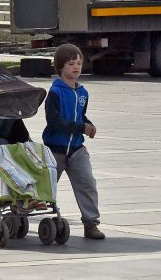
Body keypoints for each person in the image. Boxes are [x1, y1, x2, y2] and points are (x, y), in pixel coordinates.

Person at [42, 43, 105, 240]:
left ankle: (91, 223)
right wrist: (81, 128)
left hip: (77, 149)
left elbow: (80, 117)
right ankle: (34, 215)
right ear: (60, 66)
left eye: (79, 63)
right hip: (56, 149)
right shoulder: (55, 93)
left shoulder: (83, 93)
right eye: (71, 64)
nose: (76, 67)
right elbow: (55, 122)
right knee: (46, 187)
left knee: (87, 183)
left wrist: (88, 125)